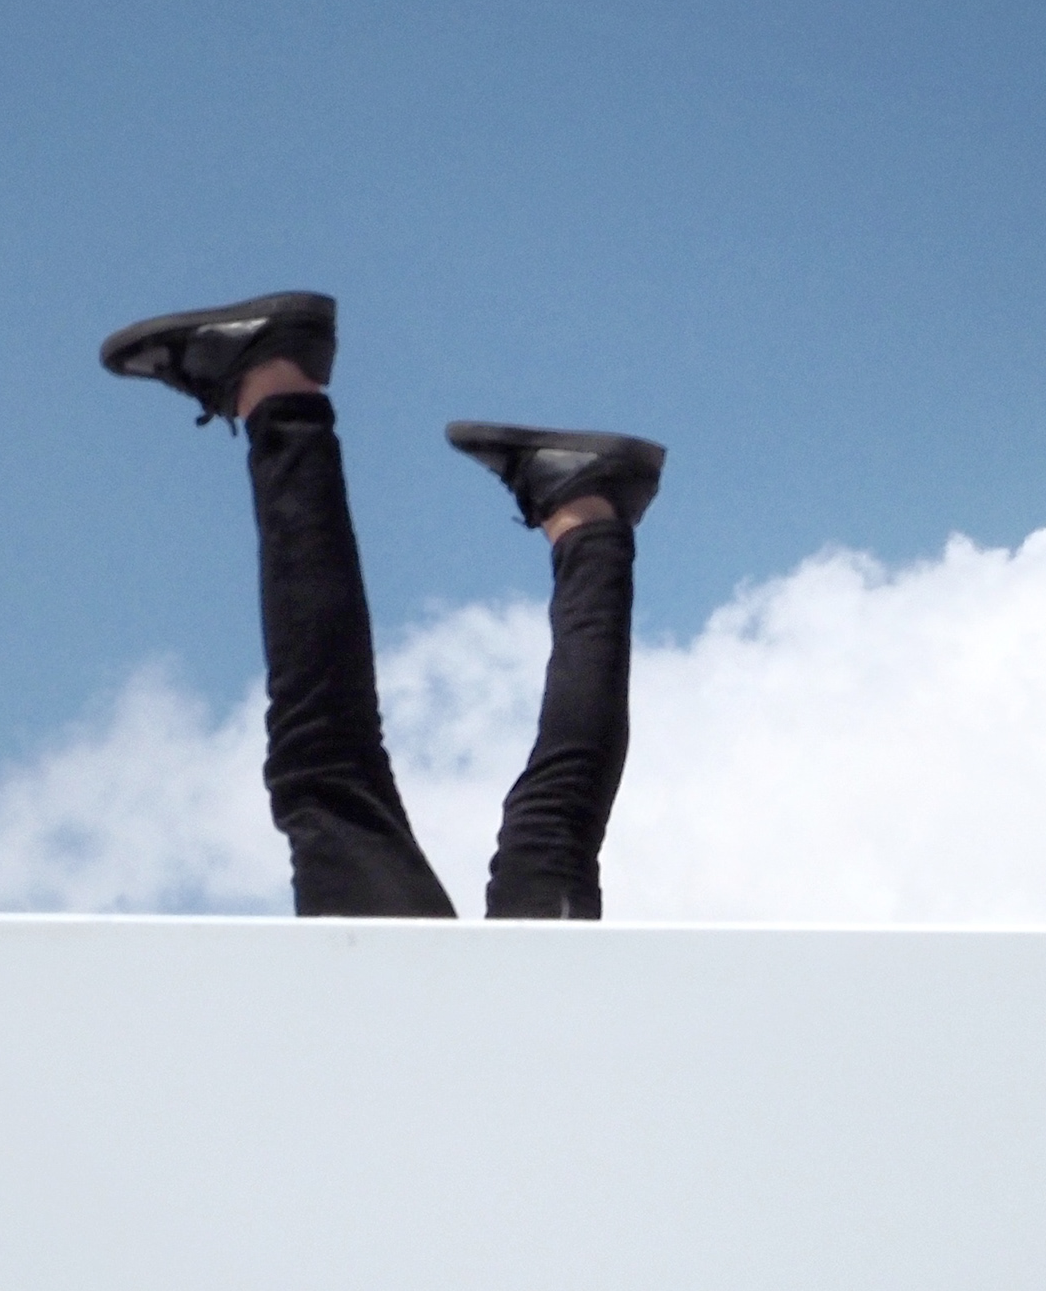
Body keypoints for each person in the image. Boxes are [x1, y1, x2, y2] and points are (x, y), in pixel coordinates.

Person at [98, 291, 663, 921]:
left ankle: (586, 512)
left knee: (554, 827)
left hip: (527, 1008)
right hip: (433, 1014)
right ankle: (276, 387)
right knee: (326, 768)